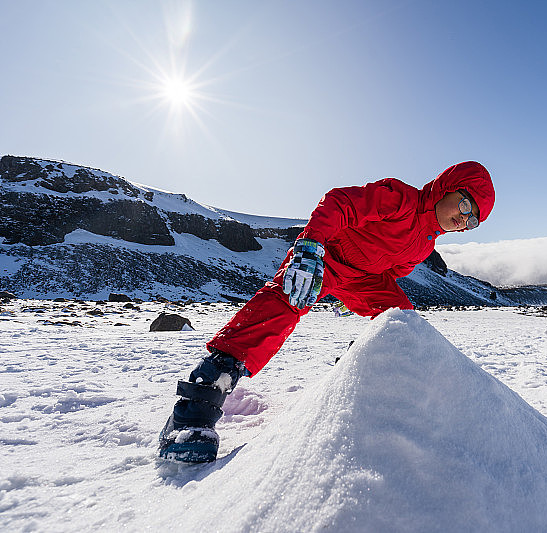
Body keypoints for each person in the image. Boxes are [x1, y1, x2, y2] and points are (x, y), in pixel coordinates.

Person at [158, 161, 495, 463]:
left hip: (363, 279)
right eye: (466, 205)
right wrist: (310, 245)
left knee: (402, 318)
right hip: (324, 258)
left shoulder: (425, 244)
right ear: (447, 186)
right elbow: (340, 203)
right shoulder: (401, 199)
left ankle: (370, 371)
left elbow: (388, 274)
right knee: (286, 301)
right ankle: (199, 403)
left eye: (474, 219)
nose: (464, 219)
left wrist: (360, 300)